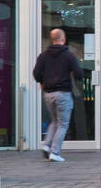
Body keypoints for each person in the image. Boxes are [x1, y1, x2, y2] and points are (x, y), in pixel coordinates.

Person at [33, 28, 86, 162]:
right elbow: (79, 73)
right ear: (63, 39)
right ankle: (54, 152)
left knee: (54, 122)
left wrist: (42, 82)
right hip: (63, 93)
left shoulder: (43, 55)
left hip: (48, 94)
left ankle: (46, 146)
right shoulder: (68, 55)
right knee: (63, 124)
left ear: (52, 40)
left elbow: (36, 74)